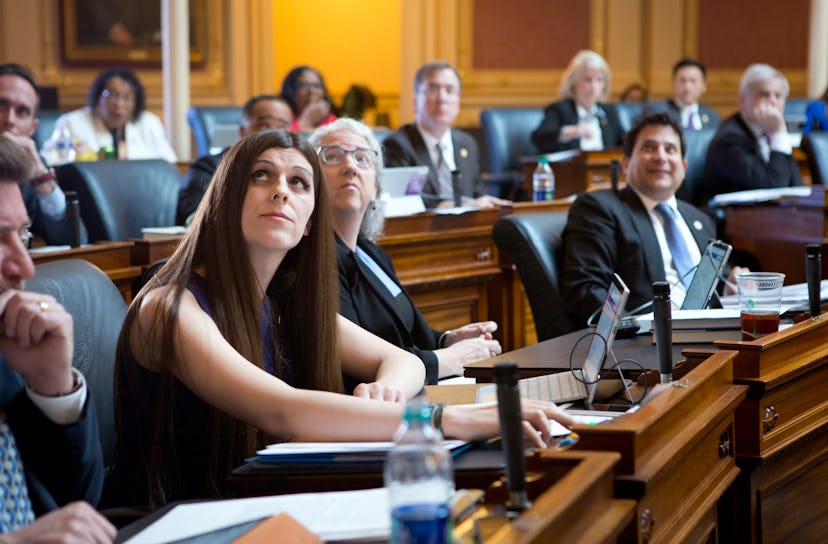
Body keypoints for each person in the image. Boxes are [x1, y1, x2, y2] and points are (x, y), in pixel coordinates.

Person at [107, 129, 572, 508]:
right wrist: (442, 419)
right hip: (177, 523)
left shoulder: (283, 305)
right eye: (261, 176)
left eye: (298, 183)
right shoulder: (168, 307)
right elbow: (282, 411)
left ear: (310, 222)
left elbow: (402, 361)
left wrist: (387, 392)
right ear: (226, 200)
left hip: (262, 506)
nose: (280, 192)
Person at [309, 118, 502, 384]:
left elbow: (402, 333)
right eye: (333, 156)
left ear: (375, 188)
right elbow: (357, 368)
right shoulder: (316, 258)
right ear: (310, 181)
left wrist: (447, 339)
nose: (351, 166)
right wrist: (451, 358)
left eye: (362, 158)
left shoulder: (372, 253)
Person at [0, 137, 115, 542]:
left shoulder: (11, 350)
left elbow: (78, 507)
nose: (23, 266)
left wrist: (53, 386)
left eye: (24, 236)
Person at [560, 113, 720, 328]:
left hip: (715, 334)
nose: (661, 157)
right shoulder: (598, 209)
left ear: (683, 167)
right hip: (650, 345)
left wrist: (733, 283)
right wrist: (634, 328)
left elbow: (714, 286)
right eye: (649, 148)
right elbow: (586, 290)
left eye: (670, 149)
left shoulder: (700, 219)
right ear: (625, 164)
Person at [383, 61, 509, 209]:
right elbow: (407, 203)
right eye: (432, 89)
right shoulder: (397, 146)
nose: (442, 99)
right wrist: (464, 206)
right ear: (415, 100)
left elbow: (477, 194)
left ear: (458, 101)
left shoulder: (467, 144)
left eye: (449, 90)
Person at [0, 63, 86, 247]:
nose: (9, 120)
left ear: (32, 128)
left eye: (22, 112)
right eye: (1, 105)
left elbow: (75, 240)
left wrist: (41, 177)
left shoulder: (31, 168)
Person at [177, 94, 293, 224]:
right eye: (264, 125)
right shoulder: (209, 167)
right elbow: (196, 218)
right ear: (242, 131)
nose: (274, 134)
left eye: (282, 127)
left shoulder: (295, 173)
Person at [702, 63, 803, 203]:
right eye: (764, 94)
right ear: (742, 100)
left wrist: (778, 133)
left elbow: (796, 186)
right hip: (732, 220)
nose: (773, 101)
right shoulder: (729, 140)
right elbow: (774, 188)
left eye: (778, 96)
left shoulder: (769, 131)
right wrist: (779, 132)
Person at [41, 67, 177, 164]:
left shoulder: (149, 123)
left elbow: (170, 165)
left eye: (127, 98)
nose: (119, 105)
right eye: (111, 95)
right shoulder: (72, 123)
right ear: (98, 97)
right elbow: (49, 161)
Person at [531, 50, 625, 153]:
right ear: (573, 82)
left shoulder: (609, 112)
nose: (594, 87)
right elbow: (539, 138)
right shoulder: (560, 110)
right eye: (588, 80)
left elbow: (625, 143)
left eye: (599, 80)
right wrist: (571, 132)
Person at [647, 59, 721, 131]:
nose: (687, 87)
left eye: (693, 81)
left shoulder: (713, 117)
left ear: (704, 86)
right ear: (673, 83)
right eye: (682, 81)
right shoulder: (657, 112)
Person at [280, 66, 337, 133]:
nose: (311, 91)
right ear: (291, 91)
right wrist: (306, 121)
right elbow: (285, 141)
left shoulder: (332, 122)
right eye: (304, 86)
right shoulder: (281, 119)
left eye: (316, 86)